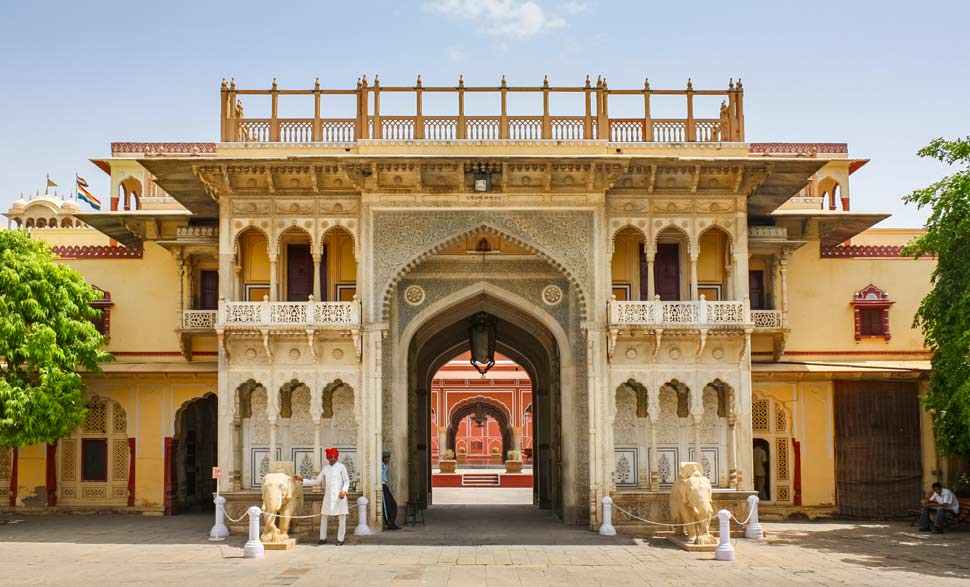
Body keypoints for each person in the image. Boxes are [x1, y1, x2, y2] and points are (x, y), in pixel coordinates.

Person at [296, 447, 350, 545]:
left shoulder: (341, 467)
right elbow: (317, 481)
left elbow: (346, 481)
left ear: (336, 457)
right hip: (328, 497)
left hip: (340, 497)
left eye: (333, 457)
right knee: (324, 517)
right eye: (329, 457)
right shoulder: (325, 468)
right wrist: (302, 480)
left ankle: (340, 539)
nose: (331, 459)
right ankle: (322, 538)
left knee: (342, 518)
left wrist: (344, 491)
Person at [382, 451, 400, 530]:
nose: (389, 459)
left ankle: (391, 522)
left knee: (393, 505)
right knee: (387, 506)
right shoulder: (381, 466)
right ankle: (389, 523)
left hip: (385, 486)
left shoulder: (386, 466)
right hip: (381, 487)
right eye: (387, 458)